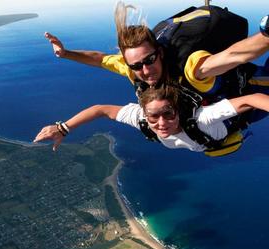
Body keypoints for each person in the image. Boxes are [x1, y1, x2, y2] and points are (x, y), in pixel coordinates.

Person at [45, 3, 269, 101]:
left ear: (160, 52)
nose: (145, 69)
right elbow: (101, 59)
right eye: (136, 65)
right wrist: (67, 54)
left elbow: (234, 55)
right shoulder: (133, 67)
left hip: (255, 85)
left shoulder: (190, 67)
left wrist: (266, 35)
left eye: (149, 59)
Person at [33, 85, 269, 155]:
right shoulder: (140, 119)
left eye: (168, 114)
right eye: (154, 116)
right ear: (144, 115)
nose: (162, 122)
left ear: (178, 111)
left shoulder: (202, 120)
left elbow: (253, 99)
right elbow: (101, 109)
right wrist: (63, 128)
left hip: (248, 114)